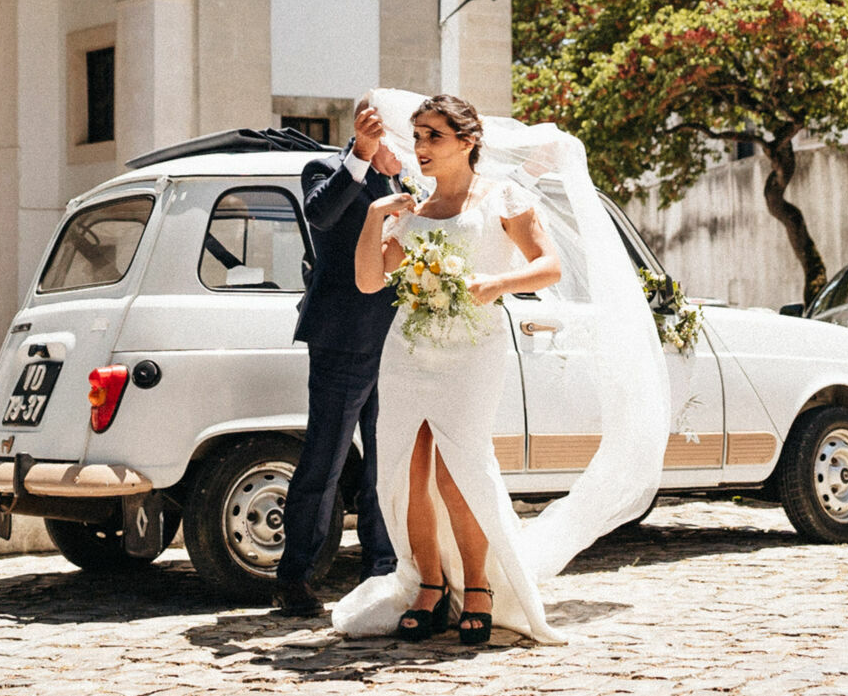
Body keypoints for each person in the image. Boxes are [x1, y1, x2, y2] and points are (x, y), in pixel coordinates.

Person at [330, 91, 669, 646]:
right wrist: (374, 216)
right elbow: (370, 281)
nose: (420, 148)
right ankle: (429, 586)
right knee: (405, 472)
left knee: (458, 470)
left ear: (467, 142)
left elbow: (548, 267)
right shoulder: (409, 204)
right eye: (416, 137)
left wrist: (497, 284)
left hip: (472, 351)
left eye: (433, 136)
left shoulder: (503, 197)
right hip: (409, 354)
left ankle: (482, 587)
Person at [269, 100, 404, 616]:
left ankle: (382, 571)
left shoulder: (409, 182)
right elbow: (321, 215)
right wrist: (360, 158)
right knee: (325, 457)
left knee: (385, 458)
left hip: (395, 339)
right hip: (343, 336)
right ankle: (295, 576)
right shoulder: (325, 168)